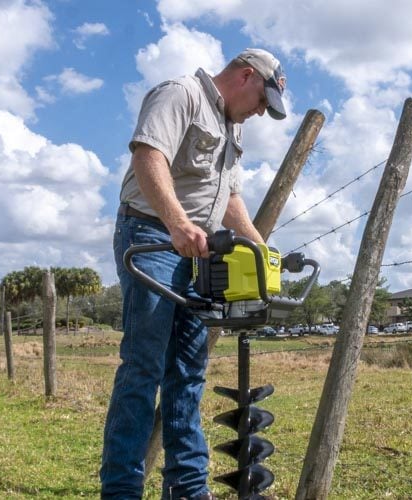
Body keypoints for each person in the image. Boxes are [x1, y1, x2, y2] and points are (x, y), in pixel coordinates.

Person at [101, 48, 287, 500]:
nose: (262, 112)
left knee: (187, 371)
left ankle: (187, 487)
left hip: (198, 252)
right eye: (264, 102)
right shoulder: (179, 94)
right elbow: (149, 157)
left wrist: (260, 251)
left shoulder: (231, 126)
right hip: (152, 239)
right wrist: (178, 223)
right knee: (143, 367)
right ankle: (122, 490)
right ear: (247, 76)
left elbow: (230, 200)